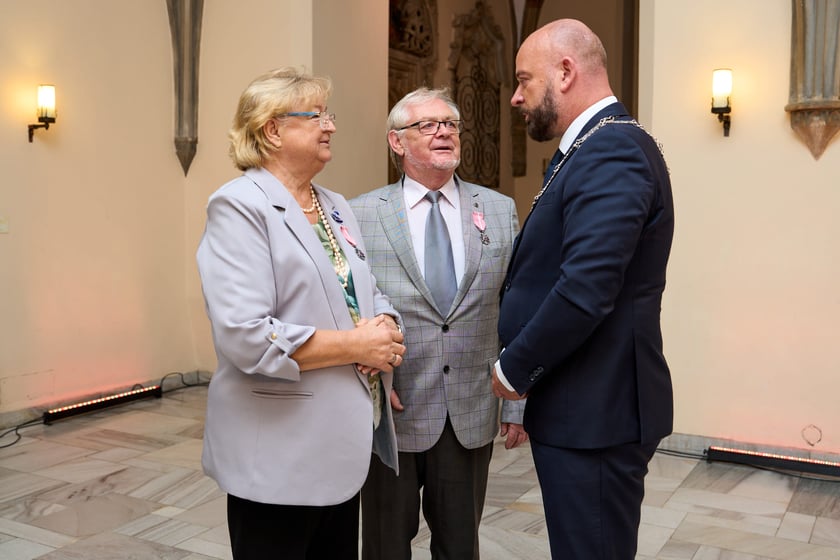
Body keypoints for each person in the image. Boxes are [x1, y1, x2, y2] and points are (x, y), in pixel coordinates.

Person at [196, 67, 405, 560]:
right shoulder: (238, 207)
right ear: (272, 130)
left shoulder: (333, 205)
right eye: (316, 116)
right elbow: (245, 335)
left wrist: (389, 327)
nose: (330, 125)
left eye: (328, 114)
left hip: (339, 449)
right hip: (277, 456)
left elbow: (367, 293)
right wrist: (359, 345)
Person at [492, 19, 675, 559]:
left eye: (525, 80)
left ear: (566, 71)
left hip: (596, 412)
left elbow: (586, 288)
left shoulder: (611, 151)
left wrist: (513, 368)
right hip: (583, 406)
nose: (515, 97)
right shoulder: (591, 149)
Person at [350, 87, 527, 560]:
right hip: (393, 407)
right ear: (396, 142)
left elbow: (515, 308)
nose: (444, 131)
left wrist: (516, 401)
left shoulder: (498, 210)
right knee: (385, 546)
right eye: (427, 125)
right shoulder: (360, 213)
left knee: (459, 547)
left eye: (450, 123)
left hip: (470, 409)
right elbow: (349, 308)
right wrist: (366, 380)